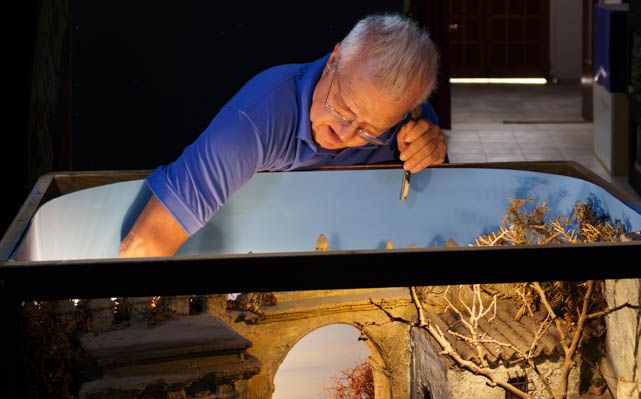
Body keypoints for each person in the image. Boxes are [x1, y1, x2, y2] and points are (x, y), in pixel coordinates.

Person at [118, 15, 446, 258]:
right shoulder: (258, 118)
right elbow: (148, 240)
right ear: (334, 60)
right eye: (343, 107)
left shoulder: (409, 121)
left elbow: (437, 210)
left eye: (368, 130)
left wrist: (432, 154)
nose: (344, 133)